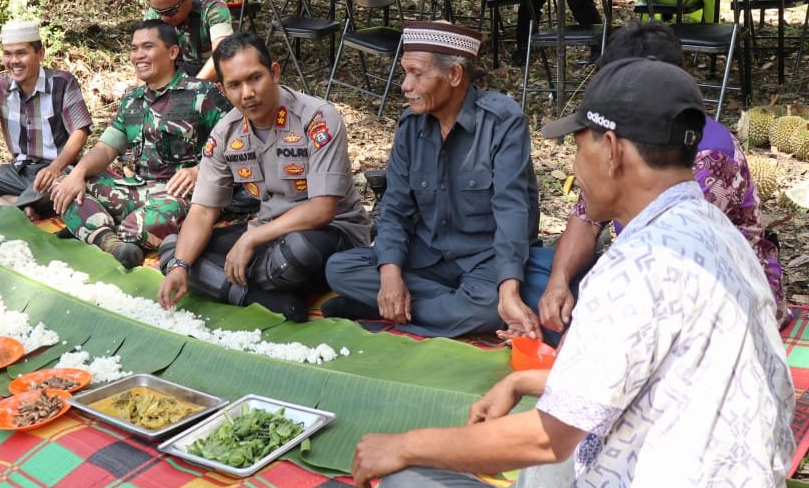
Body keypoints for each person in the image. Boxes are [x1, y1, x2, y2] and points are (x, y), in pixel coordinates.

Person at [353, 58, 793, 488]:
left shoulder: (634, 265)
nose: (573, 167)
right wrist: (523, 381)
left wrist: (404, 446)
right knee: (551, 455)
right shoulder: (718, 234)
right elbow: (643, 374)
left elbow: (548, 439)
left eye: (578, 146)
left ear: (611, 150)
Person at [524, 21, 789, 341]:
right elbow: (587, 217)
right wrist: (558, 282)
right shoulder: (621, 147)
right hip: (646, 276)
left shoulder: (706, 159)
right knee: (528, 271)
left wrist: (585, 337)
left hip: (712, 303)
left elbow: (672, 276)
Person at [324, 22, 541, 339]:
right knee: (339, 269)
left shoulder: (502, 122)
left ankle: (384, 309)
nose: (405, 85)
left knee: (489, 305)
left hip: (485, 261)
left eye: (417, 74)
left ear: (454, 75)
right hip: (427, 256)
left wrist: (508, 291)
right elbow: (395, 209)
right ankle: (422, 306)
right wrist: (390, 274)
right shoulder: (411, 126)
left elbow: (513, 209)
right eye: (405, 73)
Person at [157, 33, 371, 322]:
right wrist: (181, 266)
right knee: (174, 250)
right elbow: (204, 210)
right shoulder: (225, 134)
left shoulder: (317, 118)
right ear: (222, 89)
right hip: (268, 234)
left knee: (297, 253)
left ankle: (225, 282)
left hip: (331, 234)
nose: (247, 93)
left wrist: (250, 239)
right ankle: (259, 297)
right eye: (235, 85)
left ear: (274, 73)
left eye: (255, 78)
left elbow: (323, 209)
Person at [50, 20, 230, 268]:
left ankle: (93, 229)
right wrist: (78, 173)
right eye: (134, 49)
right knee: (64, 183)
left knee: (143, 224)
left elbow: (236, 144)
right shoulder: (132, 100)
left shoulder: (202, 93)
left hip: (181, 195)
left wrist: (199, 170)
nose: (138, 55)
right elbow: (105, 149)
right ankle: (113, 244)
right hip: (137, 189)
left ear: (172, 52)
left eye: (148, 47)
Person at [0, 21, 93, 215]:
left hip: (57, 171)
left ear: (40, 54)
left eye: (21, 53)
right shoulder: (0, 84)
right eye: (7, 54)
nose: (14, 61)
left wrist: (55, 168)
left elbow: (80, 132)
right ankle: (13, 207)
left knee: (62, 186)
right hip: (18, 172)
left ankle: (7, 205)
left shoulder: (62, 83)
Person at [146, 0, 234, 81]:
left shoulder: (213, 9)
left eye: (171, 11)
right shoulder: (155, 14)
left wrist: (193, 89)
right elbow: (144, 58)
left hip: (208, 81)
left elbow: (222, 55)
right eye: (157, 11)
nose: (163, 18)